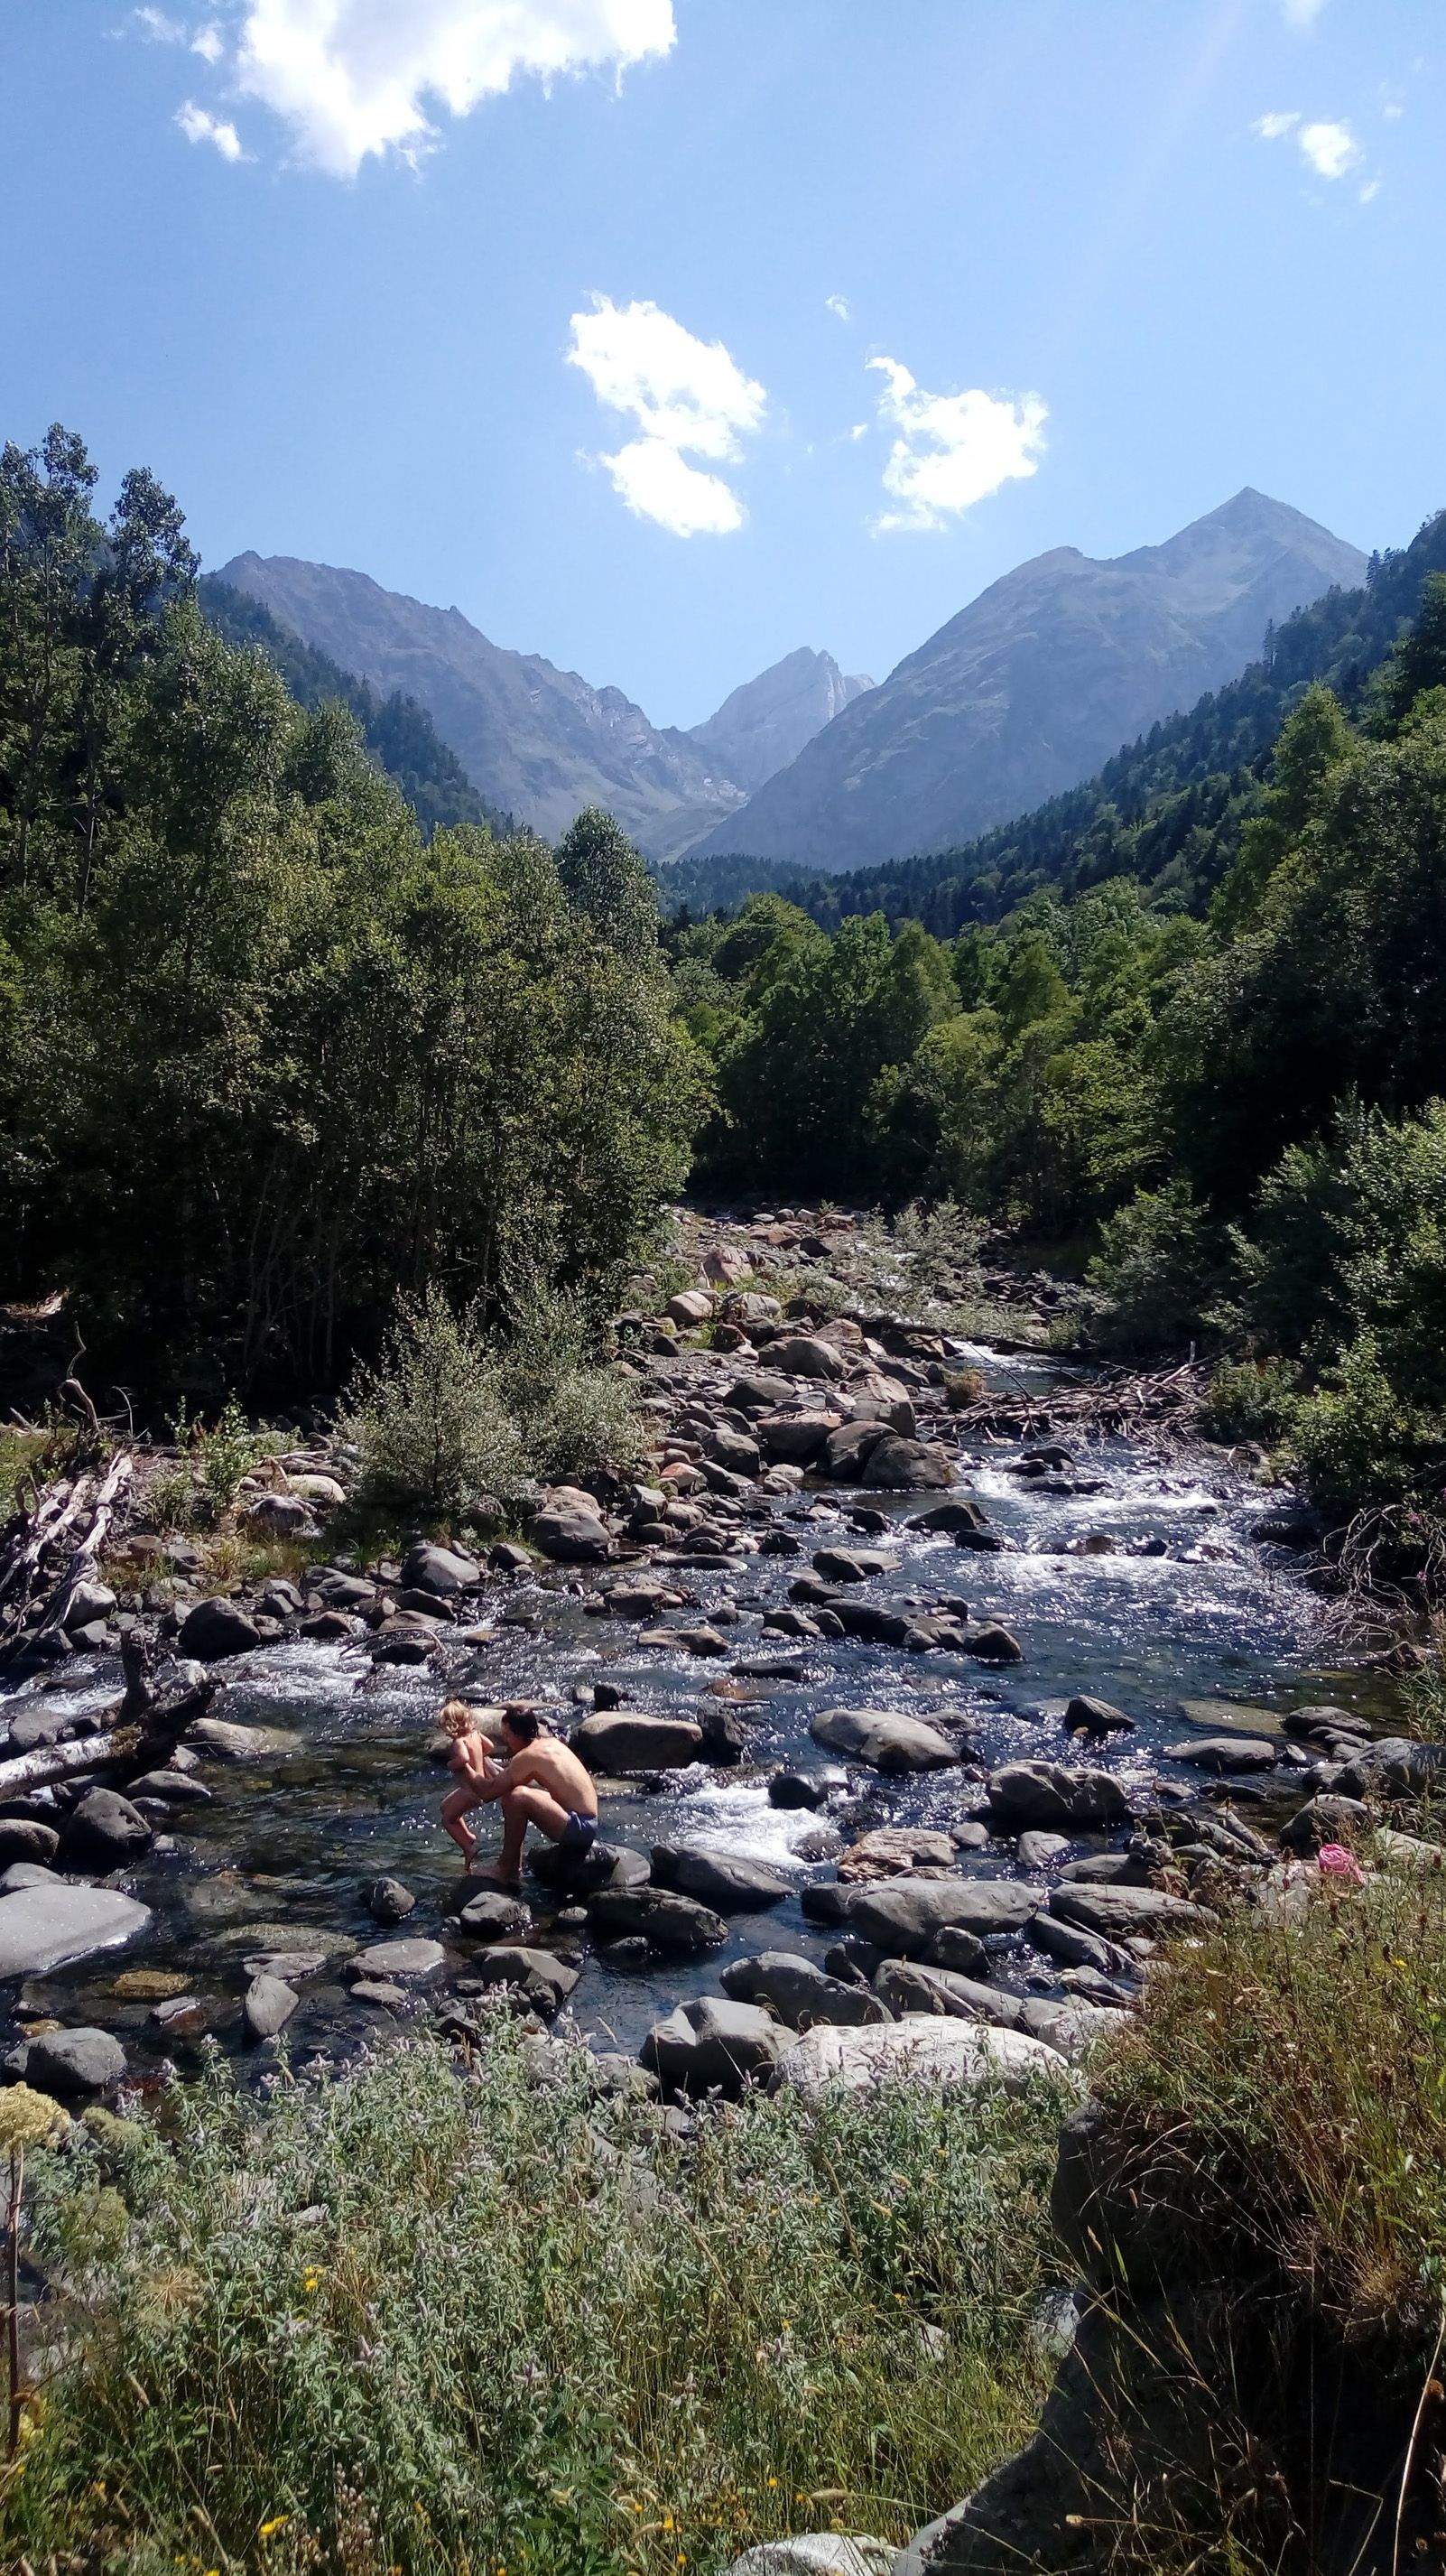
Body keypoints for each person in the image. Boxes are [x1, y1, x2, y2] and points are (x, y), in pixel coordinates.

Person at [440, 1699, 598, 1886]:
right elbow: (509, 1775)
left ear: (517, 1734)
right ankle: (514, 1867)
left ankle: (506, 1870)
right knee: (514, 1792)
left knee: (517, 1797)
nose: (506, 1740)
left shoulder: (528, 1756)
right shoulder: (549, 1743)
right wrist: (485, 1761)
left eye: (507, 1735)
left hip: (579, 1828)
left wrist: (464, 1766)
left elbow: (487, 1793)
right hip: (584, 1821)